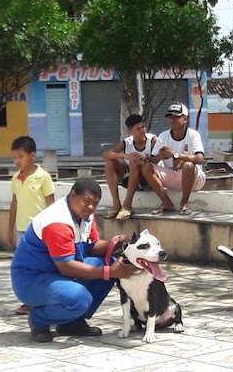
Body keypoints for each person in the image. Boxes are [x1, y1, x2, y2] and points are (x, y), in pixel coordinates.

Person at [10, 177, 138, 343]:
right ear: (72, 195)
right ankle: (38, 320)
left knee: (109, 263)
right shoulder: (57, 222)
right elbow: (66, 267)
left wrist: (119, 244)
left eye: (96, 203)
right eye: (86, 201)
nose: (91, 207)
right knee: (80, 297)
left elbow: (91, 247)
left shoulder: (85, 215)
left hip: (57, 273)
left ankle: (71, 322)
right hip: (31, 280)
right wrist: (109, 272)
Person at [8, 136, 56, 315]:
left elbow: (51, 204)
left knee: (41, 265)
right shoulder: (15, 178)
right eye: (14, 157)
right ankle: (27, 300)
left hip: (39, 231)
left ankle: (43, 299)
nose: (17, 161)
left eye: (20, 156)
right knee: (24, 268)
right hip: (21, 230)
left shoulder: (43, 177)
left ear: (32, 156)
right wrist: (10, 229)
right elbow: (14, 204)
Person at [142, 102, 205, 215]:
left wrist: (175, 155)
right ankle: (166, 202)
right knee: (146, 167)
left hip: (194, 179)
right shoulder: (163, 136)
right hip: (172, 176)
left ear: (185, 119)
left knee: (188, 165)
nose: (172, 120)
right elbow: (153, 161)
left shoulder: (193, 135)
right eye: (170, 117)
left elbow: (200, 158)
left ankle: (184, 203)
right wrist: (160, 156)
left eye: (176, 117)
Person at [102, 114, 157, 220]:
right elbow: (106, 154)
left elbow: (159, 159)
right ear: (130, 132)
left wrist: (144, 160)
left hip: (149, 180)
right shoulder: (127, 143)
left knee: (134, 162)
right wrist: (125, 155)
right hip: (131, 178)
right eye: (138, 129)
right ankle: (116, 204)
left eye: (143, 127)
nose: (142, 131)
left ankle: (127, 205)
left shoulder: (153, 140)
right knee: (110, 162)